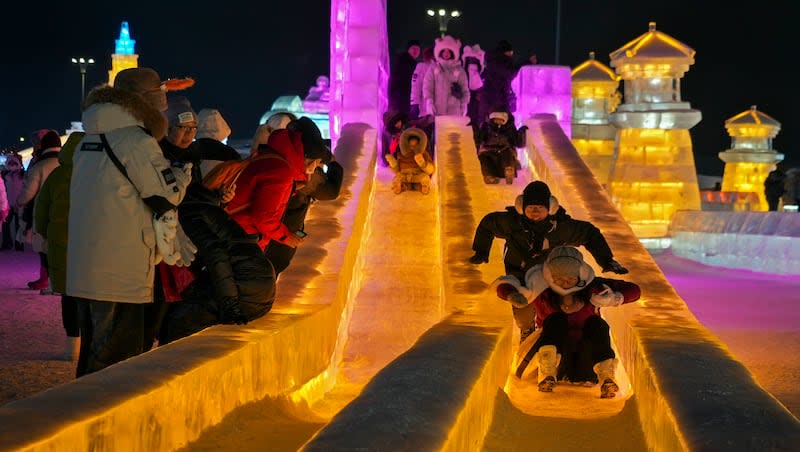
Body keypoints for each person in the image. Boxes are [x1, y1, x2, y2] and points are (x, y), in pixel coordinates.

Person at [68, 67, 193, 377]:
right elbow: (167, 195)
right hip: (122, 265)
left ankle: (77, 419)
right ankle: (103, 423)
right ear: (144, 101)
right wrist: (181, 176)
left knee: (93, 355)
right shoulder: (136, 140)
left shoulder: (88, 138)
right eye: (159, 94)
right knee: (117, 360)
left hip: (86, 264)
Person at [469, 181, 628, 338]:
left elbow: (590, 234)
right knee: (521, 305)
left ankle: (548, 333)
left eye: (540, 208)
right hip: (518, 273)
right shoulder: (511, 223)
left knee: (551, 305)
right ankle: (526, 330)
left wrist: (606, 260)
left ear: (550, 208)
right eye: (530, 208)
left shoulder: (561, 227)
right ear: (522, 208)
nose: (535, 212)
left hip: (549, 274)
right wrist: (481, 251)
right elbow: (488, 224)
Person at [492, 245, 641, 398]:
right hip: (553, 354)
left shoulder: (593, 286)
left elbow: (635, 290)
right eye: (560, 279)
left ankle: (606, 376)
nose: (565, 283)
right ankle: (547, 373)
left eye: (570, 278)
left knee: (597, 324)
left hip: (584, 359)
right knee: (556, 319)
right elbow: (506, 283)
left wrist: (614, 298)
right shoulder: (541, 288)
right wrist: (511, 295)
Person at [265, 117, 344, 276]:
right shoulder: (301, 175)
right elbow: (330, 192)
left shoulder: (271, 155)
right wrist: (335, 165)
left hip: (263, 240)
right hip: (280, 238)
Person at [33, 132, 85, 360]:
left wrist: (43, 234)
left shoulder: (57, 176)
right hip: (89, 243)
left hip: (60, 243)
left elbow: (41, 209)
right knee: (90, 295)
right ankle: (90, 342)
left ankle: (72, 345)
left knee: (69, 294)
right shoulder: (94, 175)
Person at [224, 129, 308, 252]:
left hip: (231, 230)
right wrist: (287, 237)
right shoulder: (281, 171)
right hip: (243, 238)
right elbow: (264, 217)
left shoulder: (265, 158)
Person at [16, 130, 62, 291]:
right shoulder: (68, 163)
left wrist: (19, 202)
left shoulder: (40, 165)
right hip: (65, 211)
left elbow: (28, 192)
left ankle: (45, 279)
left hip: (43, 211)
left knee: (43, 247)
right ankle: (62, 279)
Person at [475, 105, 527, 184]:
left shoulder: (509, 128)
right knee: (484, 158)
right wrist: (475, 131)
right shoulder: (486, 128)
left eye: (501, 120)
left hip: (505, 149)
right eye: (496, 120)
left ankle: (509, 170)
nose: (498, 122)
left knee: (507, 154)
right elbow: (480, 139)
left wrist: (521, 133)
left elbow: (517, 141)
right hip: (489, 150)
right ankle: (489, 175)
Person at [422, 35, 469, 117]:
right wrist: (429, 101)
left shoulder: (459, 70)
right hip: (437, 111)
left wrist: (464, 103)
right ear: (440, 51)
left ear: (453, 52)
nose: (446, 53)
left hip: (454, 112)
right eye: (444, 50)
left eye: (449, 51)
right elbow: (427, 86)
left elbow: (464, 88)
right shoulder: (433, 68)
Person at [479, 40, 521, 125]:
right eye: (510, 52)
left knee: (490, 122)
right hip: (496, 98)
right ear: (505, 52)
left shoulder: (494, 60)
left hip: (492, 97)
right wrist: (525, 63)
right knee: (498, 122)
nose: (511, 55)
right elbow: (510, 73)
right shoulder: (499, 62)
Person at [385, 128, 434, 195]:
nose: (413, 148)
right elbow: (397, 170)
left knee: (425, 178)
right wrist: (393, 163)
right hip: (405, 175)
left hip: (418, 175)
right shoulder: (401, 155)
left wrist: (423, 163)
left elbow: (431, 170)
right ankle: (401, 187)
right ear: (406, 145)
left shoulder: (424, 154)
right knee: (398, 177)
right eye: (411, 146)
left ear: (420, 145)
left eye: (415, 146)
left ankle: (423, 186)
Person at [388, 40, 421, 116]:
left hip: (404, 99)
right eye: (413, 48)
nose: (416, 51)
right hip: (400, 99)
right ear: (408, 49)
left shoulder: (412, 63)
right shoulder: (403, 62)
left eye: (418, 49)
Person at [1, 153, 24, 251]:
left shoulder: (22, 175)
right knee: (5, 224)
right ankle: (7, 243)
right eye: (10, 163)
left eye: (14, 163)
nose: (12, 165)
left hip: (19, 204)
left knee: (19, 226)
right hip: (9, 205)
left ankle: (19, 244)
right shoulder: (5, 176)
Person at [462, 44, 485, 129]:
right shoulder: (463, 72)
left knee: (473, 118)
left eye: (474, 60)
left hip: (474, 96)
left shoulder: (464, 71)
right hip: (470, 96)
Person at [410, 47, 434, 119]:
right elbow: (416, 86)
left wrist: (414, 103)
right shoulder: (421, 67)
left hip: (431, 109)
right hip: (425, 109)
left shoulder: (438, 68)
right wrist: (415, 103)